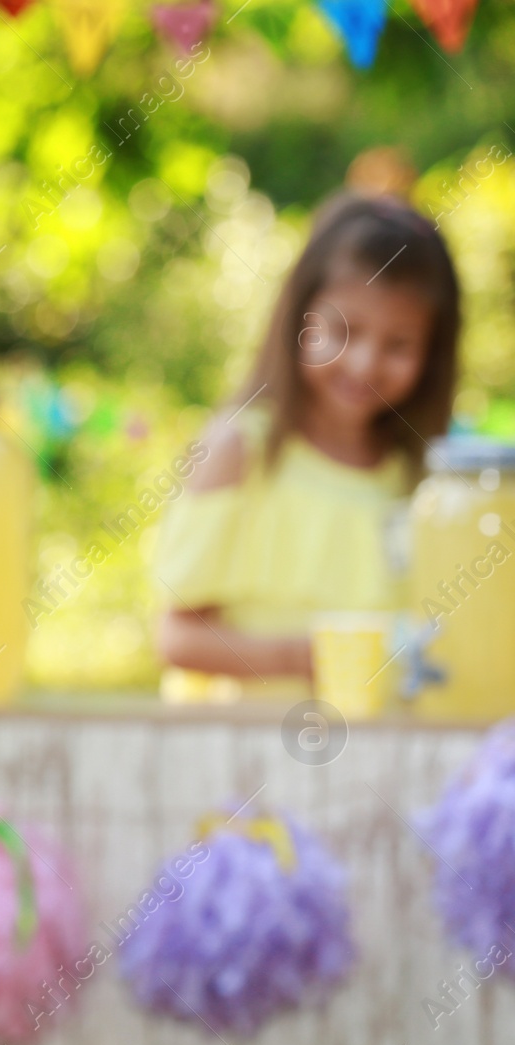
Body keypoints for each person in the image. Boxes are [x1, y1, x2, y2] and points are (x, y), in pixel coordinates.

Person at [153, 193, 459, 702]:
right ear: (300, 317)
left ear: (433, 353)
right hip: (236, 759)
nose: (364, 364)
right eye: (343, 331)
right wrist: (310, 658)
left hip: (369, 757)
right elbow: (177, 636)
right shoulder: (238, 452)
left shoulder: (423, 479)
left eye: (398, 345)